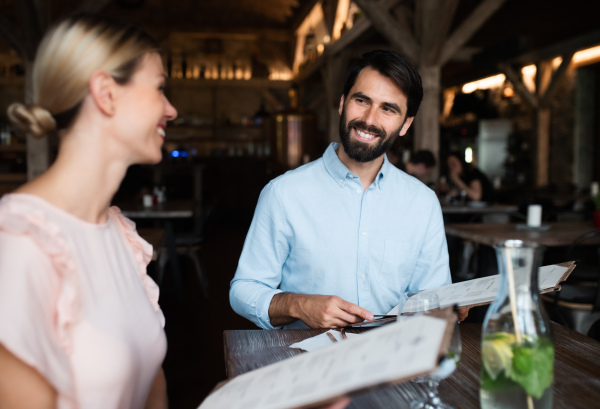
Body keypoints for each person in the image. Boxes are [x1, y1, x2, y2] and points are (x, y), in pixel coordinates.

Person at [0, 14, 177, 408]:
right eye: (160, 88)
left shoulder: (120, 234)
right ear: (106, 92)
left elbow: (152, 389)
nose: (171, 110)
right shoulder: (19, 246)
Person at [230, 49, 468, 330]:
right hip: (307, 361)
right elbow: (244, 290)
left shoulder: (423, 202)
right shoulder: (283, 193)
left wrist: (448, 304)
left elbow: (430, 296)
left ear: (405, 125)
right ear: (342, 103)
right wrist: (299, 304)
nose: (369, 119)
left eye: (388, 109)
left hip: (397, 360)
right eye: (361, 100)